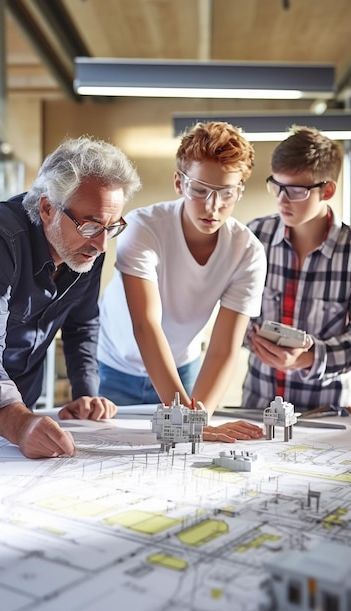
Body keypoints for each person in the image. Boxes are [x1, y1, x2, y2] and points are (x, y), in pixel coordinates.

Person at [0, 136, 141, 458]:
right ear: (47, 208)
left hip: (16, 397)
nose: (101, 245)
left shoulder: (87, 249)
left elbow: (82, 324)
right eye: (91, 226)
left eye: (112, 227)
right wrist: (16, 422)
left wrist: (85, 394)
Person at [98, 121, 266, 443]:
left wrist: (197, 418)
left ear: (239, 192)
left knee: (185, 451)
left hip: (183, 365)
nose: (212, 207)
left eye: (226, 193)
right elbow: (146, 325)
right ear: (179, 183)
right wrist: (189, 418)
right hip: (116, 364)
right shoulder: (142, 227)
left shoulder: (248, 252)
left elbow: (223, 349)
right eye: (200, 190)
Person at [242, 125, 351, 411]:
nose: (281, 199)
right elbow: (230, 313)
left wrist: (307, 358)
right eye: (276, 186)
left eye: (295, 190)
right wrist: (248, 336)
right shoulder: (255, 236)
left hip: (323, 417)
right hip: (257, 407)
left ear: (327, 190)